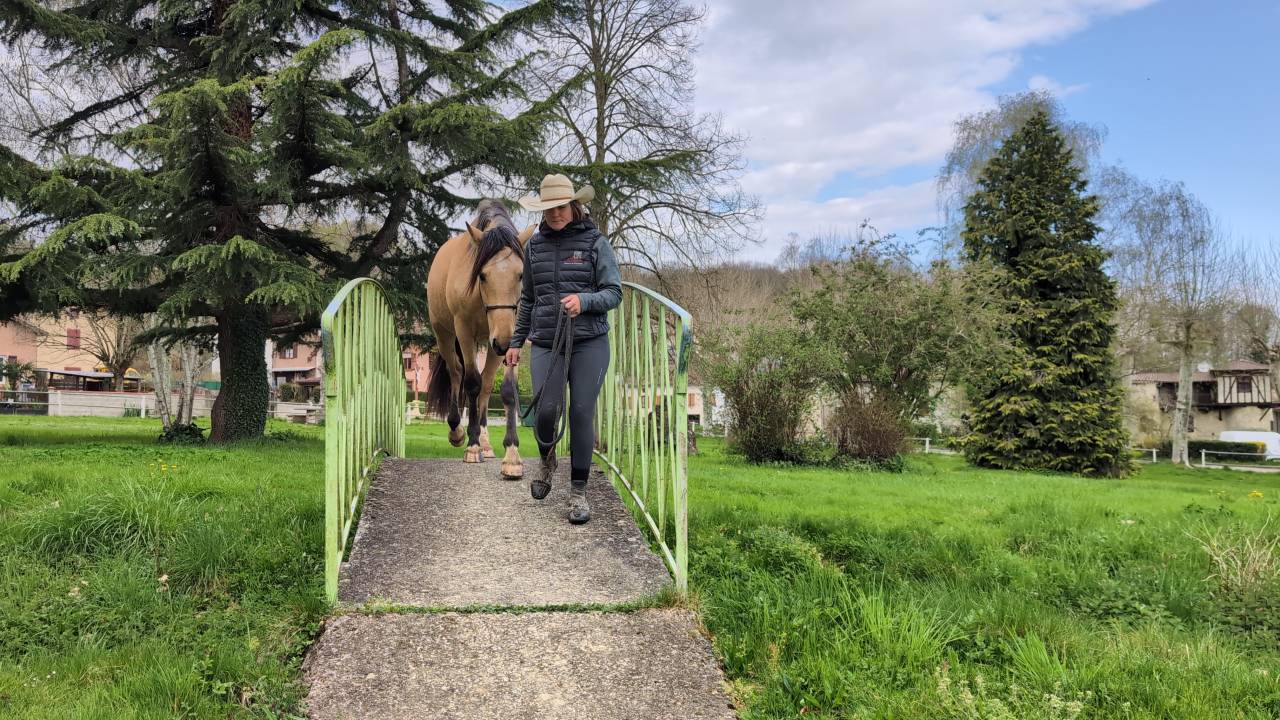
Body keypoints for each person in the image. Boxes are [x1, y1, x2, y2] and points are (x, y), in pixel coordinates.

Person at [506, 174, 622, 525]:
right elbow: (528, 299)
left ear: (574, 206)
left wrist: (584, 301)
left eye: (561, 207)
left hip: (590, 341)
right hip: (546, 341)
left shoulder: (595, 242)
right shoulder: (534, 247)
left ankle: (578, 492)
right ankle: (547, 460)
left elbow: (614, 292)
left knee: (581, 412)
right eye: (549, 208)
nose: (555, 214)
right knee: (545, 411)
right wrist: (515, 342)